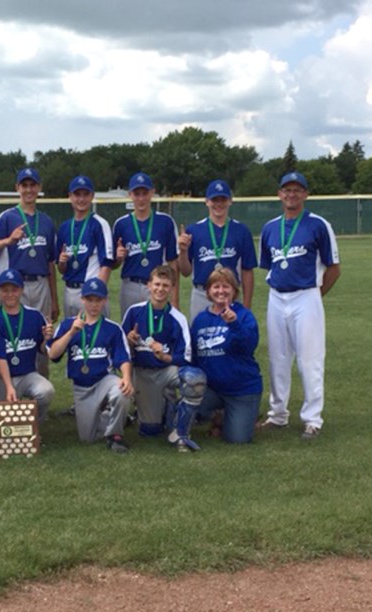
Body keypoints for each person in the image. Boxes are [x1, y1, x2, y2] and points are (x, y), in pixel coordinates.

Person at [258, 172, 341, 440]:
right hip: (277, 296)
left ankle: (312, 419)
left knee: (310, 360)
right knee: (278, 359)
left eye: (297, 190)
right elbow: (269, 266)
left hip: (306, 295)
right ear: (279, 194)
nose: (291, 194)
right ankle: (278, 415)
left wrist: (315, 296)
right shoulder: (271, 227)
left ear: (305, 194)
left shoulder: (318, 224)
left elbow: (334, 268)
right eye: (286, 190)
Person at [171, 266, 263, 451]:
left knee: (237, 439)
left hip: (242, 390)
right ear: (208, 292)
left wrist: (234, 324)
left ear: (234, 291)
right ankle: (215, 414)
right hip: (211, 389)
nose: (221, 291)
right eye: (216, 287)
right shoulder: (201, 319)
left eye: (226, 287)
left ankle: (236, 415)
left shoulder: (243, 315)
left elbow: (248, 346)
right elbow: (194, 355)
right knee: (180, 409)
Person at [0, 167, 60, 376]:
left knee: (43, 336)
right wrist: (8, 240)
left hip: (41, 283)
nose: (28, 190)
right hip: (15, 288)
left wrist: (54, 298)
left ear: (39, 188)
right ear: (17, 188)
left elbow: (50, 262)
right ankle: (6, 387)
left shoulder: (46, 221)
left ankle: (39, 390)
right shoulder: (7, 217)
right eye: (24, 185)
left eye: (32, 185)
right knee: (12, 336)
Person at [48, 278, 134, 453]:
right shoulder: (68, 324)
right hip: (81, 387)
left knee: (121, 391)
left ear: (105, 301)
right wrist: (71, 332)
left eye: (98, 300)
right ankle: (114, 417)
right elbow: (53, 354)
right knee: (87, 438)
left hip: (104, 380)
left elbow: (122, 357)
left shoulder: (112, 328)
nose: (94, 305)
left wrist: (126, 377)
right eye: (89, 300)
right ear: (82, 300)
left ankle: (115, 436)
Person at [120, 265, 191, 438]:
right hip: (142, 372)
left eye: (165, 286)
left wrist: (165, 356)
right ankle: (163, 404)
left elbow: (186, 358)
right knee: (150, 431)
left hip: (167, 371)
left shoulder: (178, 318)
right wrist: (129, 342)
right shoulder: (134, 312)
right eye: (157, 284)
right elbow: (119, 350)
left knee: (194, 379)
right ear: (149, 285)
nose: (160, 289)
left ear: (172, 288)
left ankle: (182, 423)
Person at [177, 179, 257, 321]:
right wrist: (183, 252)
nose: (218, 204)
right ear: (207, 201)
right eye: (214, 200)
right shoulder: (194, 230)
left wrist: (246, 305)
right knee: (200, 340)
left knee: (231, 339)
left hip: (229, 294)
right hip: (201, 294)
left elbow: (247, 271)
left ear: (230, 201)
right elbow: (185, 272)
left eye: (223, 199)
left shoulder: (241, 230)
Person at [0, 269, 55, 420]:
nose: (10, 294)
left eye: (14, 289)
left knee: (46, 391)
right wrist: (9, 387)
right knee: (6, 424)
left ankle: (35, 424)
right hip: (1, 378)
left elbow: (42, 350)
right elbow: (0, 357)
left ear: (22, 290)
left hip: (28, 375)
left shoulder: (34, 316)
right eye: (5, 290)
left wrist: (46, 339)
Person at [112, 172, 179, 318]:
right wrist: (118, 257)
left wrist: (174, 298)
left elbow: (172, 262)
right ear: (130, 194)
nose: (141, 198)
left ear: (152, 193)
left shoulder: (165, 221)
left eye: (145, 193)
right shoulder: (121, 224)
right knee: (130, 331)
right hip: (130, 285)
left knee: (157, 329)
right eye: (137, 194)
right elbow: (114, 264)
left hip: (157, 285)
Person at [55, 175, 114, 319]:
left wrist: (96, 295)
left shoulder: (99, 224)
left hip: (91, 292)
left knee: (96, 337)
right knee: (73, 337)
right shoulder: (64, 227)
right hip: (70, 290)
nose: (81, 199)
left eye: (85, 194)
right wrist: (62, 262)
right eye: (77, 194)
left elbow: (106, 263)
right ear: (70, 196)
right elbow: (61, 269)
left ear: (92, 196)